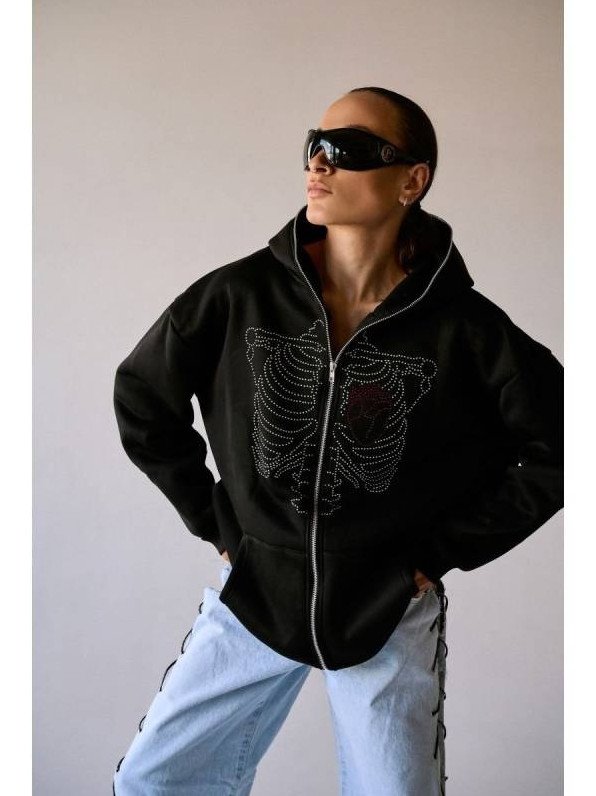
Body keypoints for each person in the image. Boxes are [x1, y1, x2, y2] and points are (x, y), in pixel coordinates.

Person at [111, 86, 563, 795]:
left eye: (347, 149)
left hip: (384, 607)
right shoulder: (238, 295)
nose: (318, 163)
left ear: (412, 179)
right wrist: (217, 521)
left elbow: (563, 447)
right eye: (313, 145)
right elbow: (143, 397)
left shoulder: (467, 330)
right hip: (254, 595)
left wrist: (438, 552)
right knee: (156, 781)